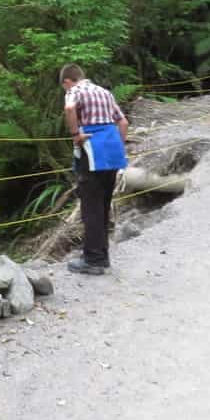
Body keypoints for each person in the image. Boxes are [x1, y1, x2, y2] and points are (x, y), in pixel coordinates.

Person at [60, 64, 129, 275]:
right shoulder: (104, 92)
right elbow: (123, 122)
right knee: (103, 204)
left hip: (92, 152)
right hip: (112, 152)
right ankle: (101, 255)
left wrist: (75, 135)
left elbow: (70, 109)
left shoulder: (75, 91)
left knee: (90, 206)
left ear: (67, 81)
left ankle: (93, 260)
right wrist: (119, 144)